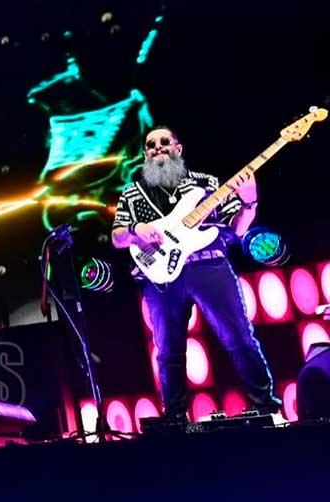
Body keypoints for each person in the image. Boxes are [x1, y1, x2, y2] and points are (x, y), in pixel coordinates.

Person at [111, 126, 282, 421]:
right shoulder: (132, 193)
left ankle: (266, 406)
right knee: (168, 351)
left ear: (178, 148)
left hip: (209, 265)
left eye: (165, 142)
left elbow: (237, 230)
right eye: (151, 144)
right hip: (160, 278)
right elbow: (117, 237)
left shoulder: (207, 183)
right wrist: (136, 229)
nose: (158, 147)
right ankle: (175, 417)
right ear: (145, 154)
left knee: (239, 337)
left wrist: (250, 202)